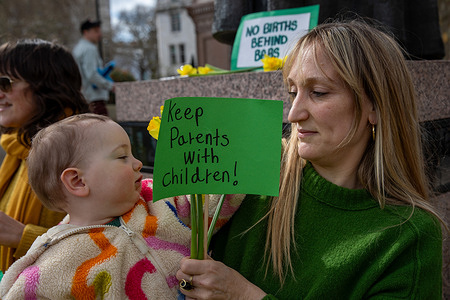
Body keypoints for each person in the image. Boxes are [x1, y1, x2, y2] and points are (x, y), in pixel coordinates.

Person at [176, 19, 445, 299]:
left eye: (318, 93)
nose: (293, 114)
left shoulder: (408, 236)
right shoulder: (253, 175)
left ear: (375, 105)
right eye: (292, 92)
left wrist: (241, 295)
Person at [0, 113, 244, 299]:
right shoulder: (54, 265)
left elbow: (212, 202)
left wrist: (247, 163)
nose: (138, 163)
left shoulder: (158, 200)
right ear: (77, 181)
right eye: (121, 156)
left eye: (133, 153)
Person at [0, 38, 89, 273]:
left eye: (5, 83)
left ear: (46, 86)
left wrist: (20, 236)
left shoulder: (80, 154)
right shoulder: (16, 149)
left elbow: (103, 248)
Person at [72, 19, 114, 116]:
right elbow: (91, 74)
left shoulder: (78, 48)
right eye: (96, 31)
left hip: (84, 98)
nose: (99, 34)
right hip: (94, 99)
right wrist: (110, 86)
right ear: (86, 32)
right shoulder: (89, 49)